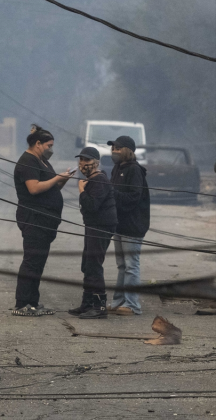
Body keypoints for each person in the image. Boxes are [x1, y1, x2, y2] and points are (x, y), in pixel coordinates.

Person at [12, 124, 74, 316]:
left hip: (47, 220)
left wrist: (62, 180)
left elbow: (50, 189)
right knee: (31, 261)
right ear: (37, 144)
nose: (51, 149)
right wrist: (56, 179)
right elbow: (34, 188)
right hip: (34, 218)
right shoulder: (28, 162)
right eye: (48, 145)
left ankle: (33, 302)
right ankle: (22, 304)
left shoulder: (42, 162)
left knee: (38, 262)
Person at [68, 147, 117, 319]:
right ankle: (87, 304)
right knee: (87, 264)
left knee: (94, 265)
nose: (83, 164)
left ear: (96, 163)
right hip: (94, 225)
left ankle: (99, 307)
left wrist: (81, 190)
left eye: (87, 161)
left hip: (101, 226)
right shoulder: (92, 180)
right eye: (81, 161)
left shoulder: (99, 180)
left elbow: (91, 206)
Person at [107, 135, 150, 316]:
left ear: (126, 150)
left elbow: (133, 197)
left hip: (133, 225)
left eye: (117, 148)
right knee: (122, 265)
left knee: (131, 265)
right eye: (112, 148)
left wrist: (112, 193)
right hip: (119, 223)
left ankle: (133, 305)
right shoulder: (117, 168)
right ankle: (118, 302)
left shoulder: (134, 170)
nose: (113, 152)